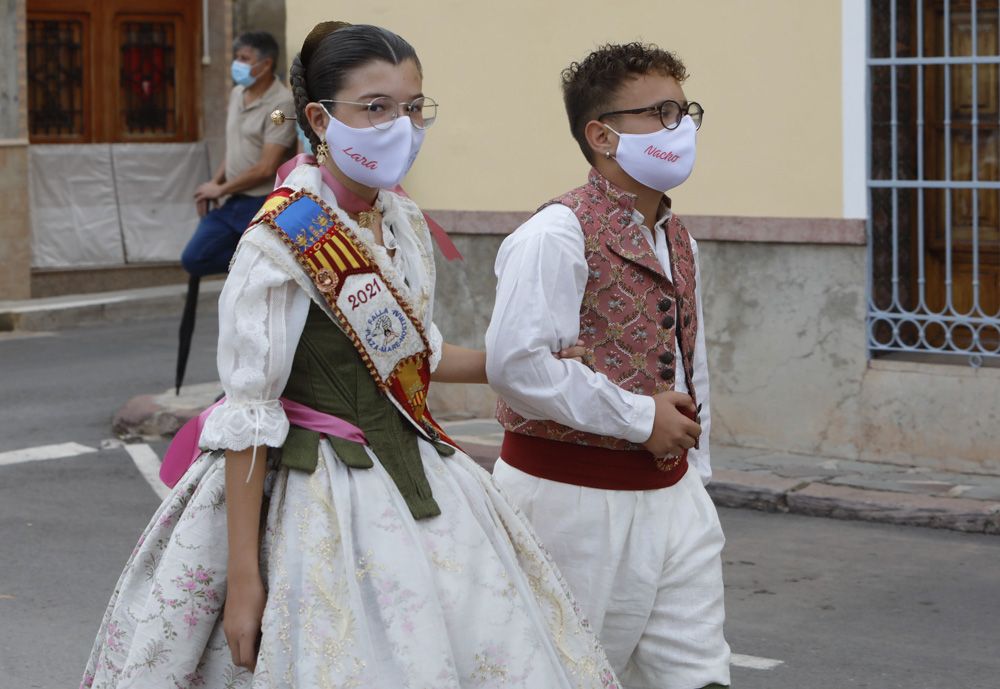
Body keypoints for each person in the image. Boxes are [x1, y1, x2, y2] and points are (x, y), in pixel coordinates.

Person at [80, 22, 620, 689]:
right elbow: (250, 413)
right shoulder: (282, 235)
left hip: (420, 474)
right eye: (376, 107)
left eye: (413, 106)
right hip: (317, 495)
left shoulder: (400, 219)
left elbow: (410, 351)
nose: (402, 124)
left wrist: (511, 357)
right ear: (320, 117)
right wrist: (245, 580)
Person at [486, 43, 731, 689]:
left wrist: (694, 479)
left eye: (685, 111)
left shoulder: (679, 236)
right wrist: (635, 416)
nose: (681, 128)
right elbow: (516, 364)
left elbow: (688, 358)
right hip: (569, 500)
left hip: (671, 500)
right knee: (560, 670)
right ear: (602, 135)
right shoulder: (555, 234)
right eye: (662, 112)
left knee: (698, 672)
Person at [181, 31, 296, 276]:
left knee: (261, 258)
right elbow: (235, 148)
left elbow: (266, 167)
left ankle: (262, 263)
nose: (237, 64)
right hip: (232, 199)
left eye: (244, 58)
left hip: (261, 202)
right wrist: (215, 182)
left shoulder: (281, 104)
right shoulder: (236, 94)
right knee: (195, 258)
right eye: (237, 57)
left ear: (266, 64)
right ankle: (254, 262)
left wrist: (220, 189)